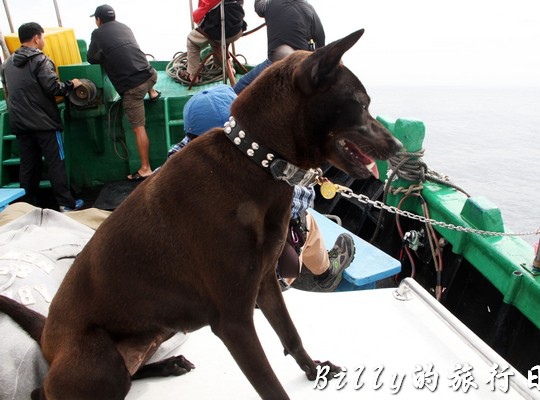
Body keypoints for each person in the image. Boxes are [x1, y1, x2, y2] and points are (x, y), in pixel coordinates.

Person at [168, 84, 355, 292]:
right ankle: (327, 272)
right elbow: (303, 199)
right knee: (305, 219)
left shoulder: (170, 169)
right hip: (254, 282)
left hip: (196, 279)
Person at [0, 22, 84, 212]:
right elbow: (53, 88)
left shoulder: (7, 64)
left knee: (28, 166)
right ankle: (65, 203)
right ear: (37, 38)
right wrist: (73, 84)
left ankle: (27, 207)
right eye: (43, 37)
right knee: (56, 162)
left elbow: (7, 92)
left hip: (20, 124)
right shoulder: (41, 60)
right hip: (44, 123)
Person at [87, 4, 161, 181]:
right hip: (151, 76)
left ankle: (145, 168)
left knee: (138, 128)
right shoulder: (124, 27)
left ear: (98, 20)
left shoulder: (97, 33)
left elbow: (91, 58)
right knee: (142, 71)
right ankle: (152, 93)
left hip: (133, 87)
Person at [233, 0, 325, 94]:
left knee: (240, 86)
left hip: (274, 63)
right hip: (302, 65)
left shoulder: (270, 4)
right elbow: (320, 38)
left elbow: (258, 8)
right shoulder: (309, 8)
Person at [180, 0, 247, 85]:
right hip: (237, 30)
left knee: (192, 40)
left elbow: (201, 12)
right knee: (216, 39)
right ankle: (225, 67)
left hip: (217, 33)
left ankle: (193, 76)